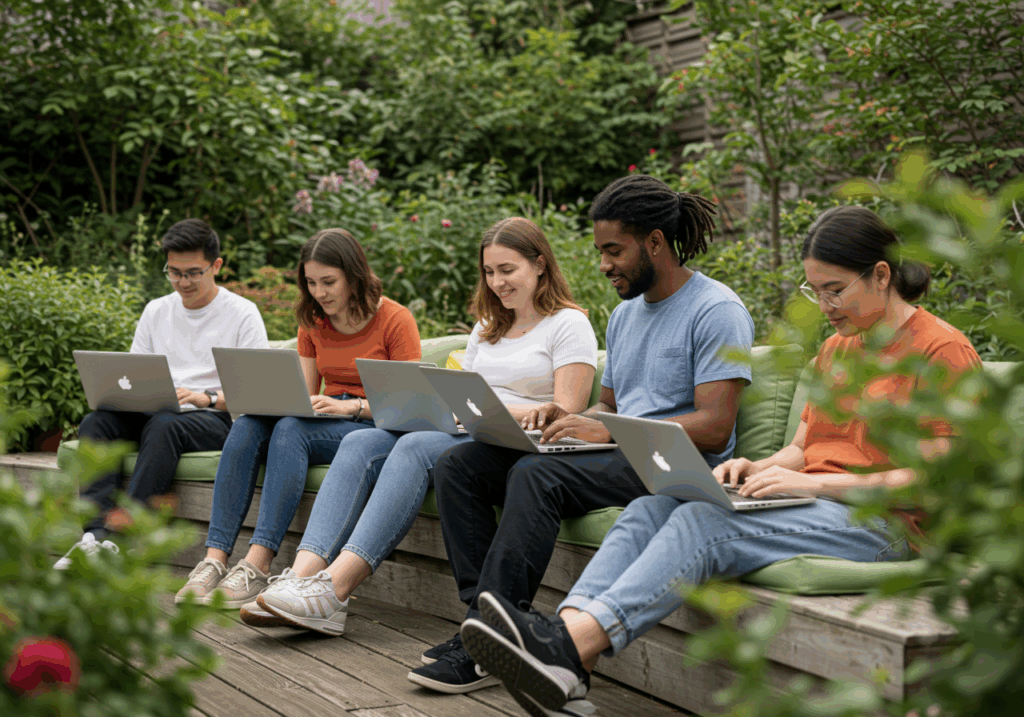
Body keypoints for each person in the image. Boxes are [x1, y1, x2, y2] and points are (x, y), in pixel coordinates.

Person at [460, 204, 982, 716]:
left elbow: (931, 485)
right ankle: (567, 651)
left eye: (834, 289)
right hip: (821, 506)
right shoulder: (838, 350)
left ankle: (566, 648)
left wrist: (811, 487)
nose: (824, 305)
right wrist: (758, 466)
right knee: (652, 507)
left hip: (885, 524)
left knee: (702, 521)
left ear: (881, 275)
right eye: (814, 291)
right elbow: (805, 447)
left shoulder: (942, 352)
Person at [409, 175, 755, 694]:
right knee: (461, 465)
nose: (602, 265)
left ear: (655, 242)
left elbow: (713, 426)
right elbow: (610, 404)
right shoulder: (625, 315)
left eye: (614, 251)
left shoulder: (716, 310)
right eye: (600, 251)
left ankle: (499, 637)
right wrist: (565, 420)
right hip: (620, 452)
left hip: (676, 463)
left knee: (538, 473)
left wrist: (604, 427)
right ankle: (483, 625)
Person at [243, 217, 599, 688]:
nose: (497, 282)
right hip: (466, 429)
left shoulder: (568, 324)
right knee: (359, 440)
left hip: (514, 443)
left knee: (411, 447)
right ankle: (306, 573)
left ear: (540, 264)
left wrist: (501, 410)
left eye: (507, 270)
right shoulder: (487, 326)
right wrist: (442, 406)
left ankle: (336, 589)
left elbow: (567, 412)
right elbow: (463, 390)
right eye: (489, 272)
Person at [175, 228, 421, 607]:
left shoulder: (394, 319)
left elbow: (410, 406)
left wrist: (351, 406)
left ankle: (258, 564)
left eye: (329, 282)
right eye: (311, 283)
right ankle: (214, 559)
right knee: (248, 425)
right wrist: (267, 401)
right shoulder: (313, 321)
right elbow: (304, 398)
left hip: (373, 423)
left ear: (354, 276)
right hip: (325, 420)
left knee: (291, 429)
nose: (320, 293)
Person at [55, 219, 268, 569]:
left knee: (166, 424)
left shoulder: (242, 314)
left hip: (215, 418)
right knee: (97, 421)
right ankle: (93, 537)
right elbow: (135, 375)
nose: (183, 282)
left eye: (193, 273)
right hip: (158, 411)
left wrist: (205, 397)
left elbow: (257, 393)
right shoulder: (157, 310)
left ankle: (121, 540)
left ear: (216, 266)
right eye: (174, 272)